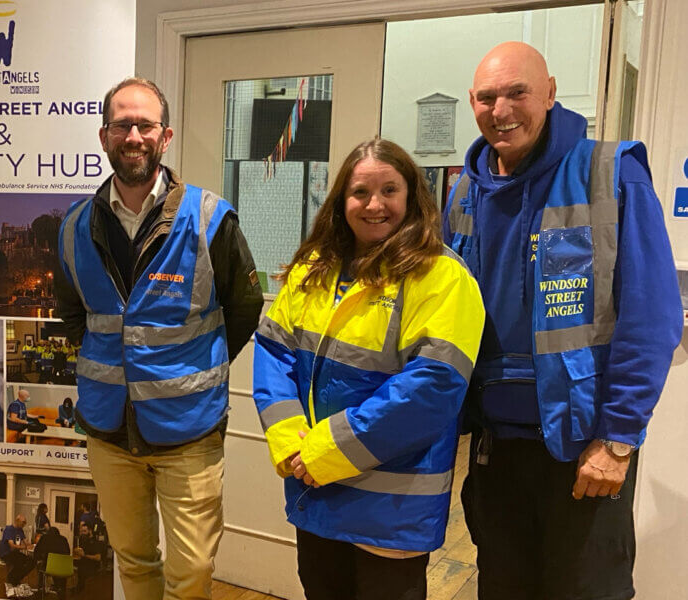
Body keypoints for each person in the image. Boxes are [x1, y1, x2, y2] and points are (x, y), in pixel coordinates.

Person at [444, 42, 681, 600]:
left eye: (517, 92)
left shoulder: (610, 173)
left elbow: (652, 317)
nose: (501, 110)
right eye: (487, 97)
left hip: (584, 451)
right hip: (494, 450)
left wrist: (619, 438)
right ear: (472, 104)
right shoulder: (462, 192)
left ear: (550, 93)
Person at [55, 76, 262, 600]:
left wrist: (200, 366)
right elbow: (73, 314)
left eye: (145, 125)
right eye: (122, 124)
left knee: (191, 572)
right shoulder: (74, 226)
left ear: (164, 136)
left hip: (188, 432)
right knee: (135, 562)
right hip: (109, 431)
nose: (134, 136)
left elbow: (244, 308)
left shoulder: (210, 219)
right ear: (104, 136)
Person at [254, 138, 484, 599]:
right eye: (360, 192)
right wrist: (289, 441)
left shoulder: (443, 277)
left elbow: (431, 389)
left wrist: (326, 452)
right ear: (341, 200)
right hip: (314, 490)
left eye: (389, 191)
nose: (374, 204)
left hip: (390, 511)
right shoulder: (311, 269)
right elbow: (273, 352)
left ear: (412, 197)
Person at [0, 514, 36, 598]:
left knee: (31, 561)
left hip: (14, 553)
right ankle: (12, 580)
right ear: (17, 521)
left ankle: (16, 578)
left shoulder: (20, 530)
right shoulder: (9, 529)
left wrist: (33, 545)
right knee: (19, 562)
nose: (24, 524)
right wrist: (26, 547)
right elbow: (12, 545)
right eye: (23, 522)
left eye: (25, 523)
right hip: (6, 553)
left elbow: (26, 542)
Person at [34, 526, 72, 595]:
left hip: (50, 567)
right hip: (64, 568)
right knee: (59, 568)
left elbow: (37, 552)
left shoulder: (44, 538)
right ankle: (61, 589)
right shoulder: (64, 539)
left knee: (41, 566)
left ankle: (41, 589)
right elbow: (68, 553)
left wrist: (40, 558)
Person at [73, 521, 108, 594]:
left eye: (85, 531)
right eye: (81, 531)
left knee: (82, 568)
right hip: (83, 565)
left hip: (92, 566)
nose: (82, 533)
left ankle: (81, 589)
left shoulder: (96, 543)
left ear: (90, 531)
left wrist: (84, 555)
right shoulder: (83, 540)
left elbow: (98, 558)